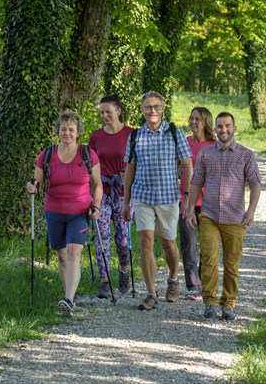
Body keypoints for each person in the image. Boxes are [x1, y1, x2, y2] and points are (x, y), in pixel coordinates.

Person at [186, 112, 261, 321]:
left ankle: (228, 303)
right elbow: (196, 182)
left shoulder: (246, 155)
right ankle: (209, 302)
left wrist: (251, 210)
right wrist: (190, 208)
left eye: (227, 126)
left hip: (236, 218)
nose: (223, 130)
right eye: (220, 126)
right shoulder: (206, 154)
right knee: (208, 258)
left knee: (231, 263)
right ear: (215, 129)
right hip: (209, 214)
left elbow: (255, 183)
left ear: (234, 129)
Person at [26, 110, 103, 315]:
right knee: (61, 256)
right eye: (63, 129)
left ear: (78, 132)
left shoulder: (88, 154)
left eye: (71, 130)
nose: (67, 133)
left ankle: (68, 299)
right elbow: (38, 183)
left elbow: (97, 185)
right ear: (58, 131)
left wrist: (96, 205)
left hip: (80, 212)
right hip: (53, 211)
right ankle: (68, 293)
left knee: (73, 253)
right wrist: (32, 187)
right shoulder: (47, 154)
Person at [122, 91, 193, 311]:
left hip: (168, 198)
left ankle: (173, 278)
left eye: (156, 107)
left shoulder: (174, 133)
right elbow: (129, 170)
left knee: (169, 243)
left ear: (163, 109)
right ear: (142, 110)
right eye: (148, 107)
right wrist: (127, 202)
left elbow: (187, 164)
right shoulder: (135, 136)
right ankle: (151, 293)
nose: (152, 111)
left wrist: (187, 196)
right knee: (145, 242)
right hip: (142, 197)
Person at [89, 94, 134, 299]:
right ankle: (105, 280)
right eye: (102, 112)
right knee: (102, 238)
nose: (105, 115)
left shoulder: (132, 134)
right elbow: (90, 165)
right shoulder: (96, 137)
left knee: (123, 240)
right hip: (102, 192)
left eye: (108, 111)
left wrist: (132, 174)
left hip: (124, 194)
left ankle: (124, 269)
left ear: (119, 110)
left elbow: (141, 162)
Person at [179, 107, 216, 301]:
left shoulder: (215, 145)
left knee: (208, 245)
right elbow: (176, 167)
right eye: (191, 118)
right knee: (188, 243)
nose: (193, 122)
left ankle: (204, 281)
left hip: (209, 202)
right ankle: (193, 286)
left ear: (206, 122)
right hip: (186, 201)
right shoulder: (184, 143)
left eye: (198, 119)